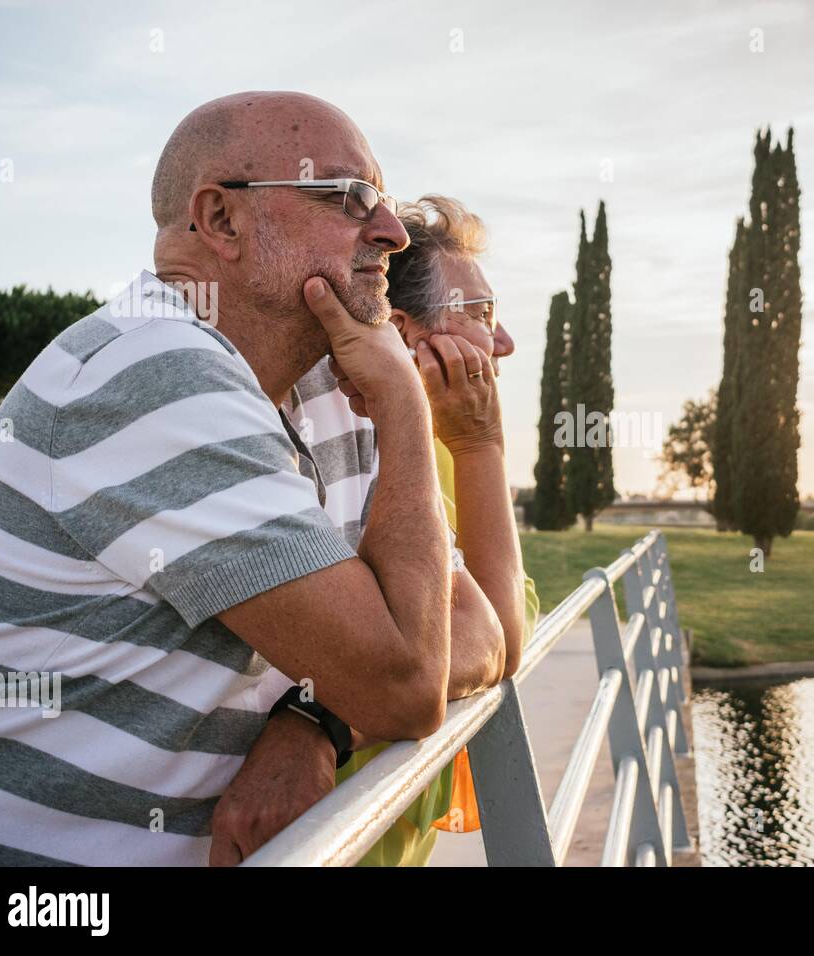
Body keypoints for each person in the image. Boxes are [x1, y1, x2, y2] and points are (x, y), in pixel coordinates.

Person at [0, 91, 504, 865]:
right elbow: (408, 686)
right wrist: (411, 412)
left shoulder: (335, 382)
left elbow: (475, 632)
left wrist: (315, 721)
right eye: (350, 197)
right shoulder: (149, 373)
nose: (388, 232)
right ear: (221, 221)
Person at [234, 196, 536, 866]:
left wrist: (324, 720)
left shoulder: (443, 447)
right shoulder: (333, 441)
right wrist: (483, 447)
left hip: (387, 824)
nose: (505, 341)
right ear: (403, 332)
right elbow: (495, 637)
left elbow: (496, 640)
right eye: (482, 315)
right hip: (322, 833)